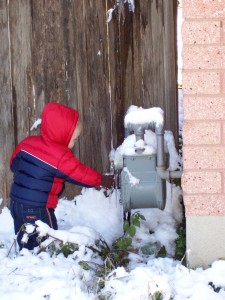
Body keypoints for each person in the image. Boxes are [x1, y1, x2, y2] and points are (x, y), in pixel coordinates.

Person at [10, 102, 114, 250]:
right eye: (74, 139)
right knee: (47, 241)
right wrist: (102, 180)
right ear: (63, 135)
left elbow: (13, 165)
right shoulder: (60, 156)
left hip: (15, 204)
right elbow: (81, 174)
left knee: (25, 239)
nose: (74, 143)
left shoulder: (27, 143)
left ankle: (26, 261)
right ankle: (44, 263)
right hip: (37, 208)